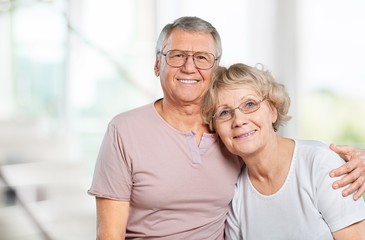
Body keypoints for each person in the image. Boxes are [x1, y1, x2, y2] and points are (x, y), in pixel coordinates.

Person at [88, 16, 365, 239]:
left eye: (201, 58)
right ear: (157, 63)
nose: (188, 67)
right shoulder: (124, 130)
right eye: (176, 55)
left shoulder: (234, 136)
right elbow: (109, 234)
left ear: (214, 67)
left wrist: (358, 158)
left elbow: (286, 158)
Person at [202, 63, 365, 240]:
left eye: (249, 104)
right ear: (215, 129)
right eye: (224, 113)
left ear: (272, 111)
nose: (239, 120)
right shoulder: (236, 194)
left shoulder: (320, 164)